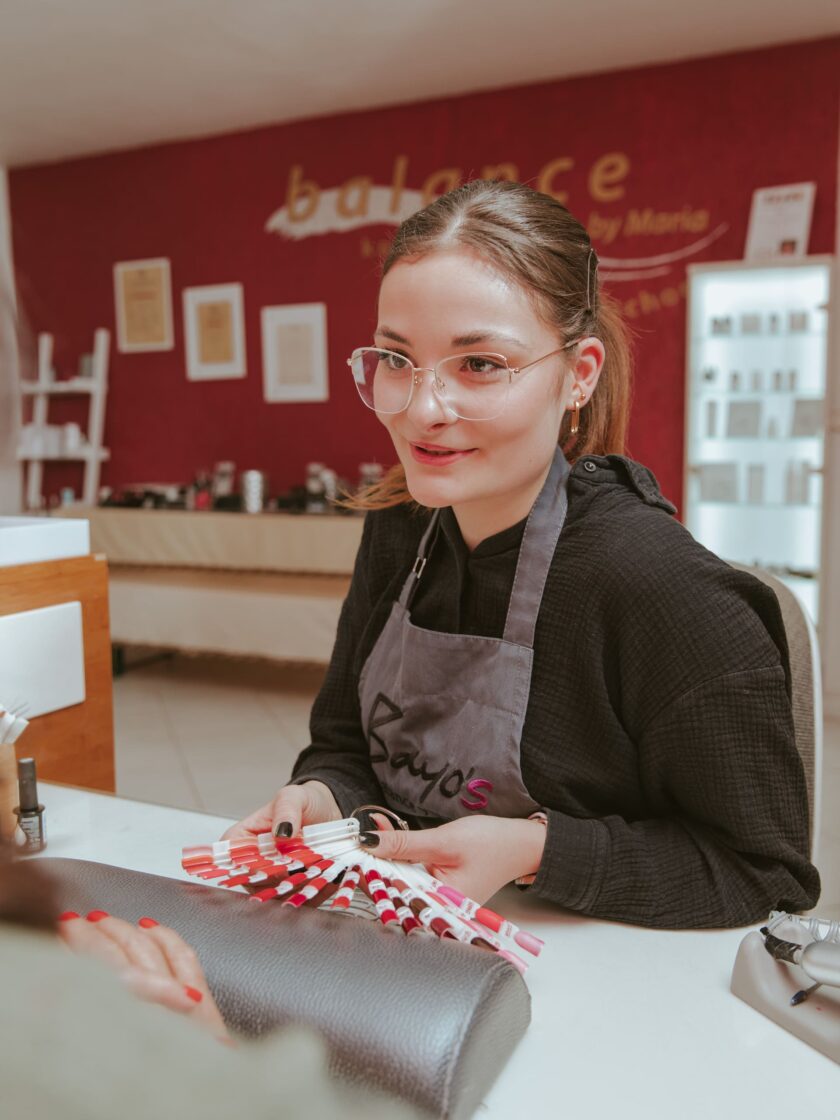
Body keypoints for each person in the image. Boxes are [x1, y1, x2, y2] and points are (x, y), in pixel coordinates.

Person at [226, 179, 819, 929]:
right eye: (397, 360)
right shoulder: (401, 526)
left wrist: (537, 850)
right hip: (408, 956)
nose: (422, 408)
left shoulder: (658, 587)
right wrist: (324, 798)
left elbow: (765, 875)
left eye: (480, 364)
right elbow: (343, 746)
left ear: (579, 375)